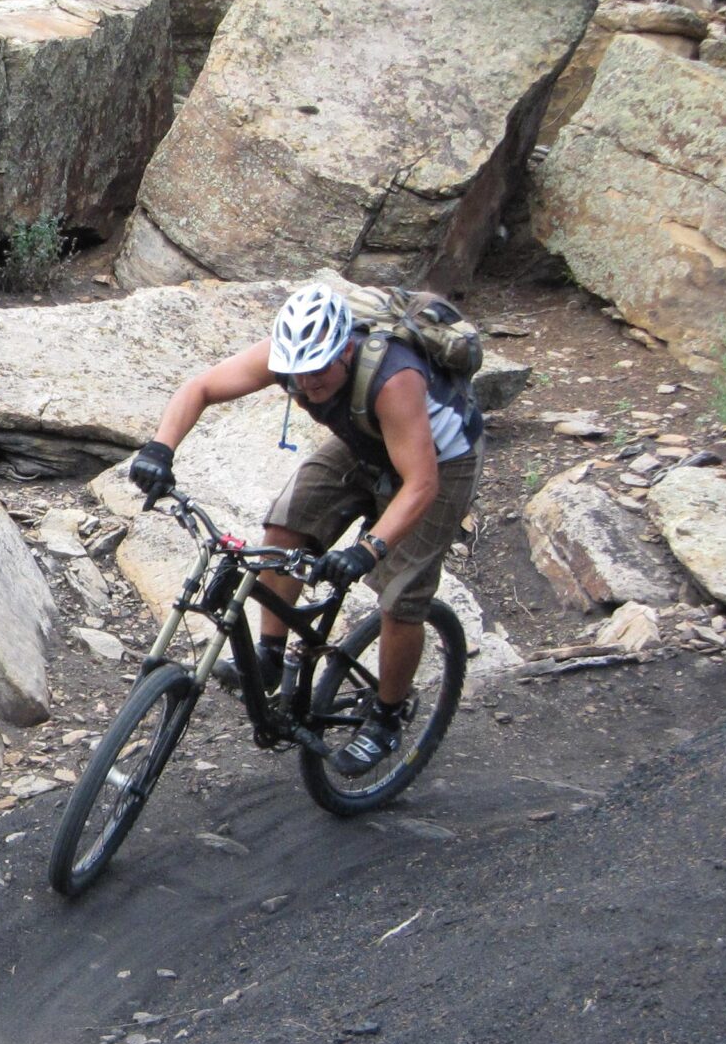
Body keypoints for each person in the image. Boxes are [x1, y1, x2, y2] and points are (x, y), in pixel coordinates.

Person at [126, 282, 484, 776]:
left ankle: (386, 716)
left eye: (319, 374)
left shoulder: (392, 378)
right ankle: (270, 656)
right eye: (297, 376)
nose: (308, 386)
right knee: (285, 526)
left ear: (346, 350)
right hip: (366, 440)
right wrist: (159, 449)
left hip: (439, 464)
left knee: (401, 598)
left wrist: (369, 549)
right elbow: (201, 388)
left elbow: (421, 484)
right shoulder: (291, 360)